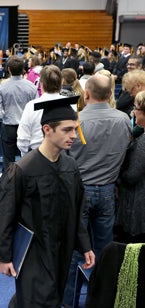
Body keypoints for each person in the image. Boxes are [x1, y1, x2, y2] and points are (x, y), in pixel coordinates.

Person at [0, 95, 95, 308]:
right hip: (34, 251)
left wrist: (85, 245)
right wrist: (3, 256)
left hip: (61, 248)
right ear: (47, 129)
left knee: (49, 295)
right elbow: (4, 216)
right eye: (67, 130)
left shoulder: (70, 167)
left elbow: (77, 209)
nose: (74, 135)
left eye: (75, 128)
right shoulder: (22, 170)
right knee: (39, 299)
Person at [62, 74, 132, 306]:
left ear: (87, 94)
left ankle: (69, 301)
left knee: (74, 250)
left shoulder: (75, 120)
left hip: (79, 192)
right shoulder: (123, 119)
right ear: (111, 94)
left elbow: (64, 158)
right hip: (108, 191)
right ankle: (100, 299)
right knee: (104, 250)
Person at [0, 56, 37, 171]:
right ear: (23, 70)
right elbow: (36, 110)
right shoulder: (32, 87)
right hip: (27, 127)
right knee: (28, 159)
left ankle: (9, 185)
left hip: (9, 127)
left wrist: (8, 114)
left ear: (8, 69)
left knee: (8, 160)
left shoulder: (2, 88)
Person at [114, 90, 145, 243]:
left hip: (137, 207)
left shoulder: (143, 142)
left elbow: (132, 175)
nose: (133, 112)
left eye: (136, 108)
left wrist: (118, 178)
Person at [17, 65, 66, 157]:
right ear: (61, 82)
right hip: (61, 154)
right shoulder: (70, 104)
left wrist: (25, 157)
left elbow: (23, 138)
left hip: (38, 155)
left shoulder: (31, 106)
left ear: (41, 83)